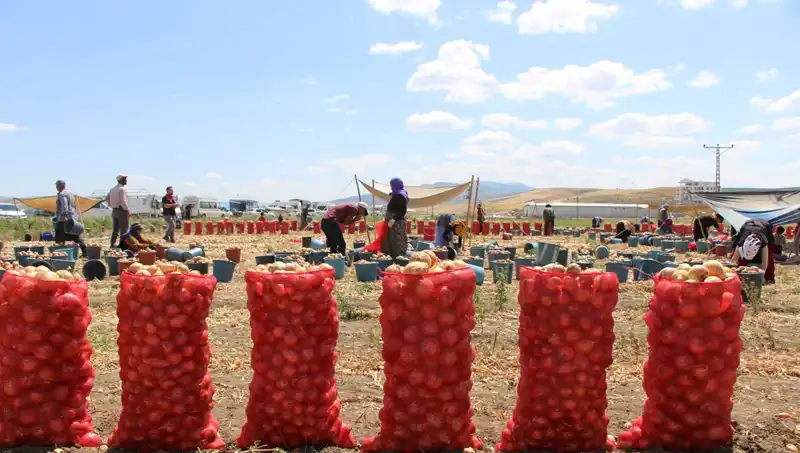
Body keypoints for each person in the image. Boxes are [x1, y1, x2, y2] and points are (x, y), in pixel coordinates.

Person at [731, 219, 775, 284]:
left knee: (769, 255)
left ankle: (769, 278)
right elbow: (734, 258)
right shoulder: (741, 242)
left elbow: (765, 261)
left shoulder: (764, 243)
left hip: (765, 226)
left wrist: (761, 277)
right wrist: (731, 274)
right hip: (747, 225)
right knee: (736, 255)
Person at [54, 180, 87, 257]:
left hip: (63, 218)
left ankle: (62, 254)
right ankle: (84, 251)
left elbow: (64, 205)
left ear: (60, 186)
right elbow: (73, 205)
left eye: (57, 186)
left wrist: (64, 215)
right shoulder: (70, 193)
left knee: (60, 236)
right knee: (74, 235)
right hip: (71, 217)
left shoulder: (62, 194)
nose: (56, 187)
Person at [381, 178, 409, 259]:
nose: (391, 187)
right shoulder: (398, 194)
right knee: (390, 240)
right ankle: (392, 258)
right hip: (394, 222)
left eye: (392, 185)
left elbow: (402, 210)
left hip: (397, 222)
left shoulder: (401, 195)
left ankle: (399, 259)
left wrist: (393, 219)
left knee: (397, 240)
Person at [107, 174, 130, 248]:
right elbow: (123, 201)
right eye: (124, 179)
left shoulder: (112, 189)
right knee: (124, 230)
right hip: (121, 211)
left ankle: (112, 244)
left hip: (114, 211)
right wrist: (127, 210)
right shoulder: (122, 189)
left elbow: (107, 198)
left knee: (115, 230)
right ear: (120, 180)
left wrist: (112, 205)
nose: (126, 180)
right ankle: (122, 246)